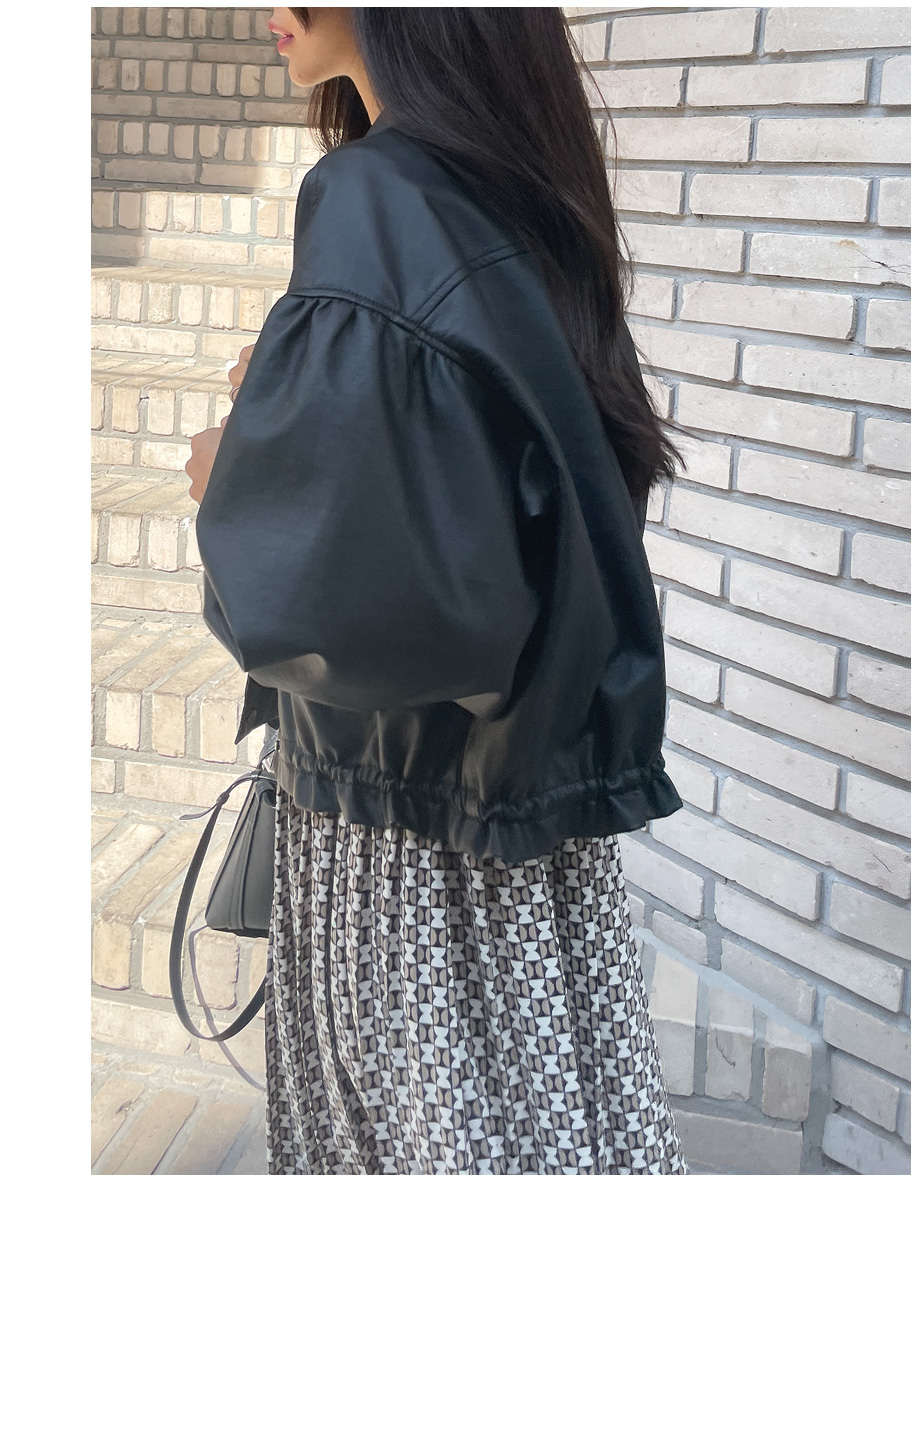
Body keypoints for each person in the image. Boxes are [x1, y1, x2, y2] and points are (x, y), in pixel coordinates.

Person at [185, 7, 688, 1175]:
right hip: (525, 820)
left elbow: (336, 598)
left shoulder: (379, 192)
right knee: (553, 1139)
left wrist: (229, 473)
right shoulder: (519, 188)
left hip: (400, 827)